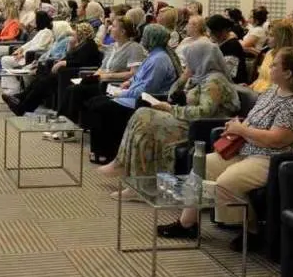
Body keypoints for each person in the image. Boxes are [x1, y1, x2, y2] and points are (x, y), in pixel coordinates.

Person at [158, 47, 293, 251]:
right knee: (203, 165)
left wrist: (242, 130)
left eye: (274, 65)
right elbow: (253, 120)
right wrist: (238, 127)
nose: (267, 68)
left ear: (288, 73)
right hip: (250, 149)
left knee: (227, 183)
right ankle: (187, 223)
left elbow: (277, 140)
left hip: (275, 158)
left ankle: (253, 231)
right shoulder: (272, 92)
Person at [97, 41, 241, 187]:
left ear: (200, 58)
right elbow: (172, 95)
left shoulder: (214, 81)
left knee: (146, 120)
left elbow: (203, 112)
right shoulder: (200, 77)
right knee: (141, 114)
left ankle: (140, 181)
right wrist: (184, 77)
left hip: (200, 126)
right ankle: (124, 164)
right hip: (188, 119)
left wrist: (170, 109)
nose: (187, 63)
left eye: (190, 59)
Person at [82, 24, 179, 164]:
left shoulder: (159, 60)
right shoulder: (153, 55)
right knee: (95, 101)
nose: (142, 39)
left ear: (152, 38)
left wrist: (121, 94)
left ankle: (107, 152)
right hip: (131, 95)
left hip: (142, 101)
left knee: (101, 106)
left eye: (145, 36)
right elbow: (138, 76)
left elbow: (146, 89)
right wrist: (128, 82)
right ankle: (98, 150)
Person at [60, 17, 147, 125]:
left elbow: (133, 73)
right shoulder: (112, 47)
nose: (110, 28)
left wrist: (108, 76)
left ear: (123, 31)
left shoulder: (134, 48)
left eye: (114, 26)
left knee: (76, 91)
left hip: (112, 84)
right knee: (71, 88)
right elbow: (102, 68)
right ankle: (63, 123)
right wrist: (92, 78)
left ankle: (68, 126)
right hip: (101, 81)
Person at [7, 22, 102, 116]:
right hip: (66, 72)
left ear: (81, 34)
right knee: (40, 80)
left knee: (44, 83)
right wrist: (70, 48)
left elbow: (80, 61)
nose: (74, 34)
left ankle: (22, 107)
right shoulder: (81, 44)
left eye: (76, 32)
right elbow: (70, 57)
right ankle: (20, 99)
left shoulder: (90, 45)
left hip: (73, 74)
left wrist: (63, 63)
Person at [0, 11, 55, 95]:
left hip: (31, 57)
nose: (34, 21)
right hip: (27, 54)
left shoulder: (47, 32)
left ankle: (14, 88)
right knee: (4, 60)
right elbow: (30, 43)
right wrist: (21, 48)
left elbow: (40, 47)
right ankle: (11, 87)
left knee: (5, 60)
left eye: (36, 19)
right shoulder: (41, 31)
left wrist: (23, 53)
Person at [250, 21, 293, 93]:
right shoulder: (269, 53)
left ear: (281, 38)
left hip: (269, 95)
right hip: (256, 91)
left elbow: (281, 88)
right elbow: (260, 78)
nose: (267, 38)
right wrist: (250, 87)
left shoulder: (289, 57)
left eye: (271, 35)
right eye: (267, 34)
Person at [206, 14, 250, 84]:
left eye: (212, 32)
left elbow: (229, 73)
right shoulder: (220, 42)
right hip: (220, 79)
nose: (210, 35)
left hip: (233, 83)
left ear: (223, 31)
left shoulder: (232, 46)